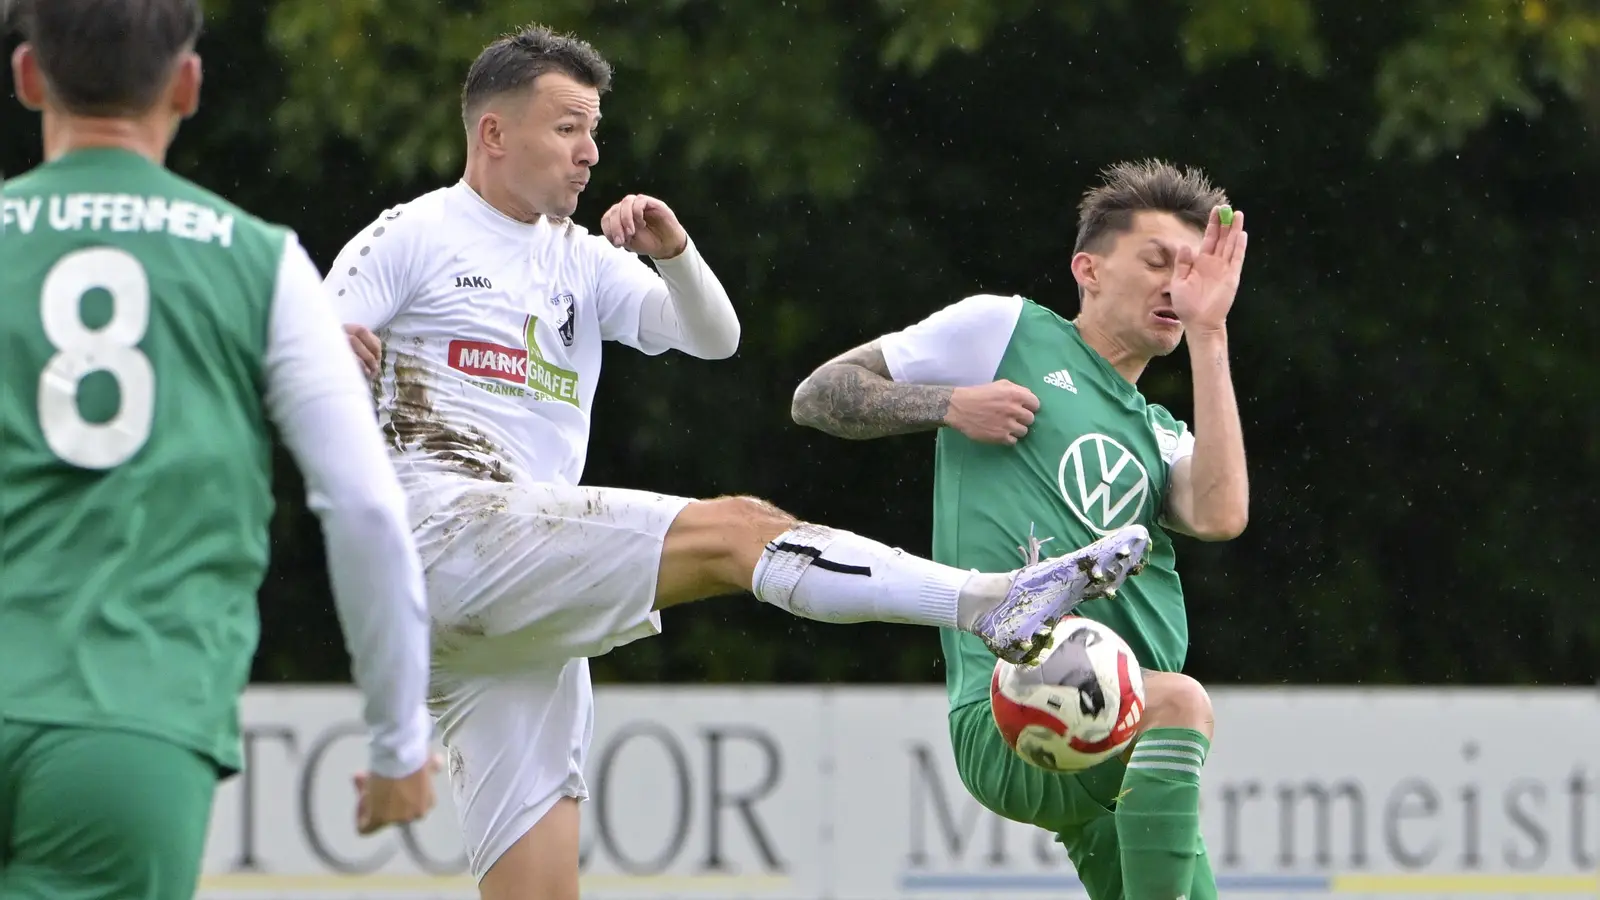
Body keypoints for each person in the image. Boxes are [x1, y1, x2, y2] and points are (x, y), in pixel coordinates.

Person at [324, 24, 1152, 900]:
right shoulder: (413, 234)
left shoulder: (579, 260)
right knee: (737, 532)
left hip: (516, 602)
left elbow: (712, 338)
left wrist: (676, 255)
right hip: (445, 533)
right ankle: (983, 600)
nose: (590, 152)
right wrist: (328, 355)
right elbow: (310, 353)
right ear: (493, 132)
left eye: (594, 129)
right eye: (568, 128)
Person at [0, 1, 440, 897]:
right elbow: (363, 507)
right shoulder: (260, 263)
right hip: (126, 727)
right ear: (188, 84)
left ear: (28, 77)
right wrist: (399, 742)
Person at [791, 159, 1250, 900]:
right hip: (1021, 703)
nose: (1177, 284)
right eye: (1157, 262)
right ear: (1088, 271)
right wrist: (947, 404)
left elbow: (1224, 515)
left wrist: (1211, 331)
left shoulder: (1160, 433)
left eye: (1191, 270)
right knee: (1183, 702)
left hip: (1126, 742)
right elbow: (819, 395)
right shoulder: (1005, 330)